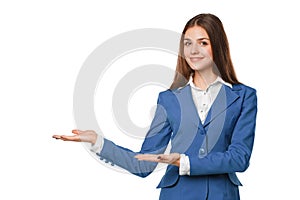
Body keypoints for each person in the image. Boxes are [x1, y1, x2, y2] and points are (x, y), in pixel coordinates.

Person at [53, 13, 257, 200]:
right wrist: (98, 141)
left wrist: (184, 162)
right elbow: (143, 164)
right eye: (188, 43)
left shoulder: (244, 96)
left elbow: (239, 158)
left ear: (218, 46)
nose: (193, 50)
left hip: (221, 195)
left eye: (203, 42)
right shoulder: (168, 99)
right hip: (176, 194)